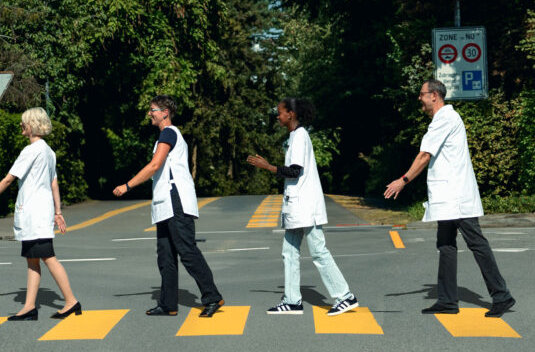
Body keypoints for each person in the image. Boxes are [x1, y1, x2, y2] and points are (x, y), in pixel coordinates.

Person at [384, 79, 515, 317]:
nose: (419, 99)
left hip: (457, 197)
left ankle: (501, 295)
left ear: (434, 95)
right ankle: (447, 300)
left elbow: (424, 155)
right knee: (445, 245)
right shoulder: (444, 119)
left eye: (422, 94)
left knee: (476, 243)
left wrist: (402, 181)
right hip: (449, 197)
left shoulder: (444, 119)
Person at [112, 95, 224, 318]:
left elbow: (155, 165)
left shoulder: (169, 132)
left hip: (176, 202)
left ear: (165, 112)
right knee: (165, 256)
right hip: (165, 204)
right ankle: (168, 304)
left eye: (152, 110)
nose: (149, 114)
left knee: (187, 252)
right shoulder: (166, 135)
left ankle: (212, 297)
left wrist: (127, 185)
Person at [247, 98, 359, 316]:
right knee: (289, 252)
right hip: (297, 206)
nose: (277, 116)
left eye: (280, 112)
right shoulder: (294, 136)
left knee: (318, 251)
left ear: (291, 114)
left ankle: (345, 296)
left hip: (306, 206)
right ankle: (292, 300)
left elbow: (295, 171)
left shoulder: (300, 137)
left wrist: (267, 166)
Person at [0, 107, 81, 321]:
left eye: (24, 123)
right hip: (41, 211)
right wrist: (58, 211)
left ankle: (71, 301)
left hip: (34, 213)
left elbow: (9, 178)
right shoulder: (48, 151)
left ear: (31, 126)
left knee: (48, 258)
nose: (21, 125)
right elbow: (54, 183)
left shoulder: (31, 151)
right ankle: (29, 306)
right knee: (32, 259)